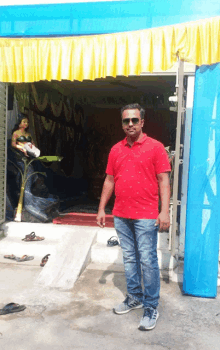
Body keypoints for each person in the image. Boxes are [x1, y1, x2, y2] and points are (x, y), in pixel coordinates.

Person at [96, 103, 171, 331]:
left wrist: (165, 211)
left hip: (146, 215)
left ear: (142, 122)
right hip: (121, 214)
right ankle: (134, 298)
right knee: (129, 258)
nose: (130, 124)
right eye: (126, 120)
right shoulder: (115, 149)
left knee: (148, 261)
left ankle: (150, 306)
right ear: (122, 123)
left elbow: (164, 180)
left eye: (134, 120)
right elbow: (110, 180)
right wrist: (101, 209)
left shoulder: (156, 148)